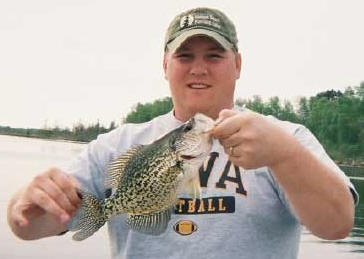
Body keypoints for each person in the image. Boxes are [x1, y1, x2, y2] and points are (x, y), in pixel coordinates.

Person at [7, 7, 358, 259]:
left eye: (215, 55)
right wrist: (23, 203)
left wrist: (285, 155)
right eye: (185, 55)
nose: (199, 68)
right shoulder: (118, 144)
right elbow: (29, 225)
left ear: (238, 64)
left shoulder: (285, 137)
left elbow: (337, 225)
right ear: (165, 65)